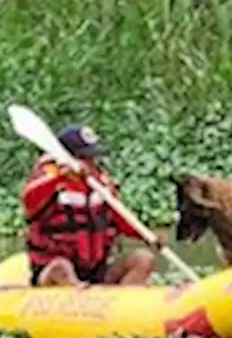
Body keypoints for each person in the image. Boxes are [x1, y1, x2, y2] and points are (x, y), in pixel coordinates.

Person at [21, 123, 164, 288]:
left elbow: (120, 218)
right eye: (85, 157)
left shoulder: (100, 183)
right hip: (53, 272)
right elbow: (29, 199)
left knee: (143, 259)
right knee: (61, 267)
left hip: (96, 271)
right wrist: (60, 176)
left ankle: (126, 306)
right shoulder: (48, 180)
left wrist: (146, 235)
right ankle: (76, 294)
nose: (91, 162)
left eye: (93, 157)